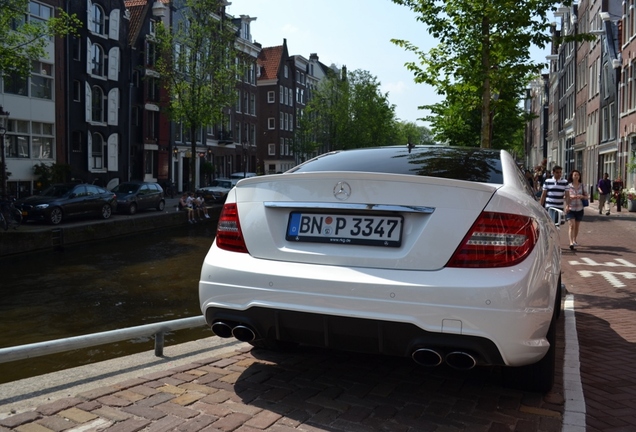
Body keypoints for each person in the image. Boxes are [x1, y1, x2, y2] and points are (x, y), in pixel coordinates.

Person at [565, 169, 588, 250]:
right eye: (575, 175)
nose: (576, 176)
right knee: (571, 225)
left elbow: (587, 196)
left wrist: (582, 196)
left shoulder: (582, 186)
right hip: (570, 208)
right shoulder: (568, 186)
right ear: (572, 176)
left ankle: (574, 240)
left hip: (579, 208)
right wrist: (569, 199)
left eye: (578, 175)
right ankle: (571, 242)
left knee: (577, 226)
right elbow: (565, 196)